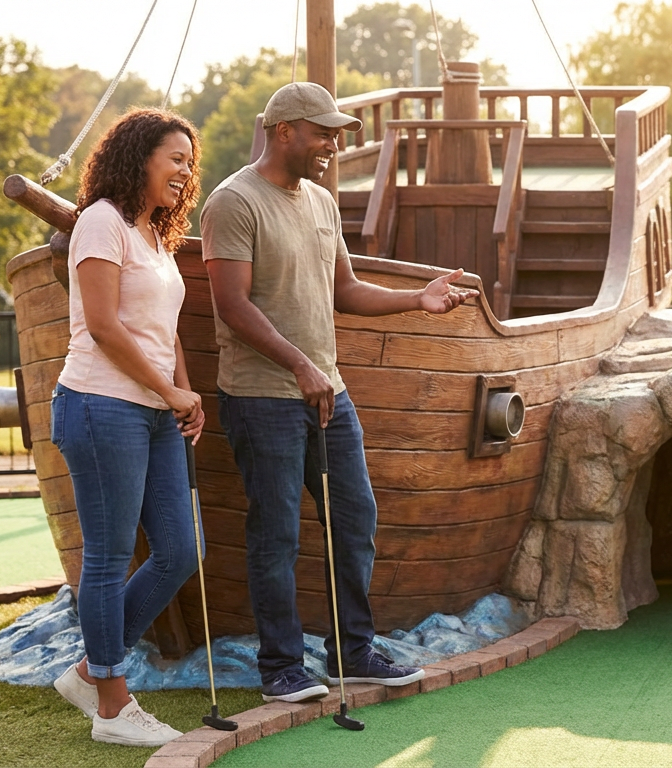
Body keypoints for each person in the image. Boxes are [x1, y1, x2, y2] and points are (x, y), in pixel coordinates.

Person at [200, 82, 476, 703]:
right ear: (284, 132)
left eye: (336, 133)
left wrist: (417, 300)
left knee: (354, 522)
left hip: (328, 393)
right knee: (277, 535)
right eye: (323, 132)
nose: (332, 144)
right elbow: (231, 305)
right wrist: (300, 365)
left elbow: (343, 290)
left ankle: (352, 653)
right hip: (260, 398)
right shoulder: (233, 202)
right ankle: (279, 668)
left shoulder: (323, 202)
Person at [49, 108, 206, 746]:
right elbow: (106, 326)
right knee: (110, 558)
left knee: (178, 550)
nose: (185, 171)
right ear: (139, 157)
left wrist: (184, 392)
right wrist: (166, 388)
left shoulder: (154, 236)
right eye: (175, 158)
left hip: (154, 411)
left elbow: (162, 328)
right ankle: (112, 707)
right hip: (99, 404)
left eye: (190, 163)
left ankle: (92, 669)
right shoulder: (100, 222)